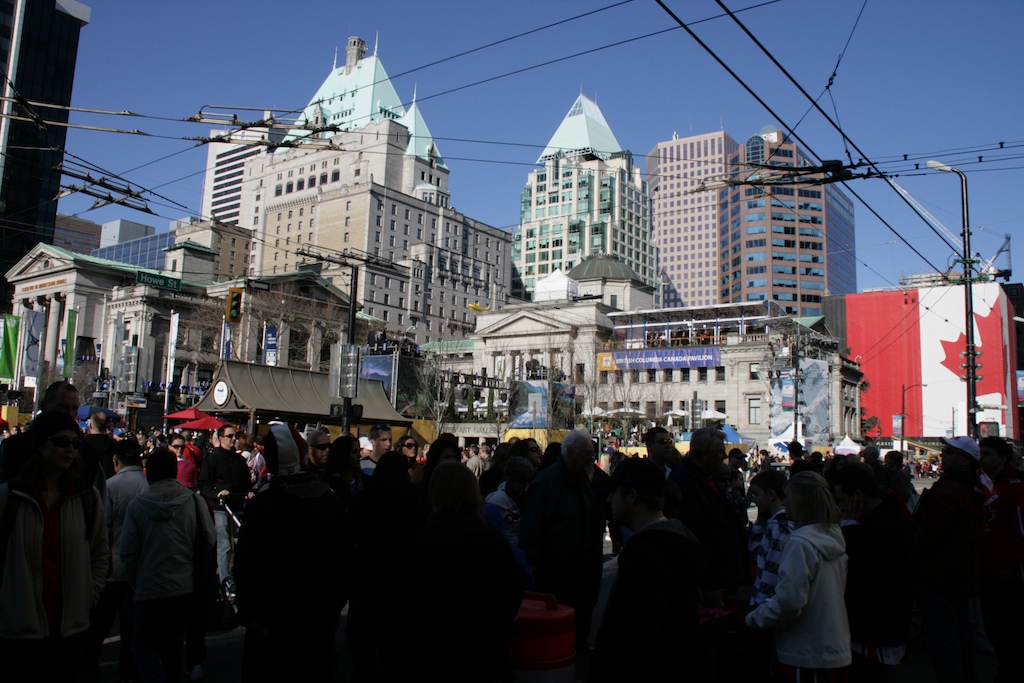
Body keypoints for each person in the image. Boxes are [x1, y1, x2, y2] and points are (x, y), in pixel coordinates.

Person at [234, 423, 353, 682]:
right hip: (317, 624)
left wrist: (252, 615)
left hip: (272, 630)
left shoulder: (263, 507)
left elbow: (246, 569)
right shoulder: (329, 500)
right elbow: (345, 560)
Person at [387, 461, 524, 683]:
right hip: (485, 650)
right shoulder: (491, 537)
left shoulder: (426, 539)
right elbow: (513, 589)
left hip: (437, 654)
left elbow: (408, 602)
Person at [0, 410, 109, 682]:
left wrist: (88, 595)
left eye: (75, 443)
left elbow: (99, 553)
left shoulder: (87, 498)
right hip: (18, 633)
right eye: (60, 442)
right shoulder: (8, 498)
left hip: (70, 629)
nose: (69, 449)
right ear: (39, 445)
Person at [589, 457, 707, 682]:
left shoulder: (646, 555)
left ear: (632, 496)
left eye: (615, 492)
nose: (609, 499)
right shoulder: (677, 542)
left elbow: (633, 638)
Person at [746, 471, 851, 681]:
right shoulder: (832, 535)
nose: (785, 503)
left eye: (789, 497)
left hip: (805, 650)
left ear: (801, 501)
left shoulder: (800, 542)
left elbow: (790, 600)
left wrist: (754, 617)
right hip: (833, 644)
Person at [121, 447, 215, 683]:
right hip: (184, 584)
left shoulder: (137, 506)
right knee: (174, 644)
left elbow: (128, 551)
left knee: (142, 643)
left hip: (148, 585)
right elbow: (209, 538)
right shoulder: (193, 501)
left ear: (149, 473)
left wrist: (135, 581)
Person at [519, 429, 603, 651]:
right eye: (587, 454)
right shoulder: (547, 482)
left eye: (592, 455)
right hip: (554, 572)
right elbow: (532, 530)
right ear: (571, 452)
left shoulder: (582, 481)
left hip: (581, 569)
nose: (590, 459)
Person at [348, 451, 428, 681]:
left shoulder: (362, 500)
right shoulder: (414, 501)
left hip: (367, 579)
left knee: (364, 645)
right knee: (396, 647)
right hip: (402, 580)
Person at [911, 436, 985, 683]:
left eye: (949, 453)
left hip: (939, 577)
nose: (943, 455)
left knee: (943, 641)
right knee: (961, 636)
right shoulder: (975, 487)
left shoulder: (949, 489)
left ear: (965, 462)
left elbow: (925, 537)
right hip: (962, 576)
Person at [835, 463, 912, 682]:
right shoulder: (883, 517)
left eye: (842, 500)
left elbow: (857, 569)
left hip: (877, 629)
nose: (840, 508)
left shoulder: (883, 525)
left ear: (857, 496)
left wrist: (849, 527)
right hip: (872, 626)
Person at [82, 439, 149, 681]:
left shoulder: (109, 486)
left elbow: (103, 527)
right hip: (140, 569)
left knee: (99, 624)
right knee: (131, 628)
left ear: (115, 460)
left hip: (111, 566)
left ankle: (89, 666)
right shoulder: (149, 486)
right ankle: (129, 671)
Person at [668, 427, 748, 607]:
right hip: (708, 577)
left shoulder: (705, 477)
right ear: (705, 454)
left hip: (719, 574)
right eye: (720, 451)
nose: (724, 456)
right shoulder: (686, 482)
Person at [977, 436, 1024, 683]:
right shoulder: (989, 485)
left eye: (987, 453)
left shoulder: (1013, 487)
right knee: (995, 628)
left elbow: (1020, 529)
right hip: (988, 569)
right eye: (980, 453)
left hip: (1007, 574)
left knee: (1008, 629)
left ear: (1002, 458)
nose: (982, 458)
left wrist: (1009, 562)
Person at [197, 424, 252, 587]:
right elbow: (203, 484)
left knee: (237, 543)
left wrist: (248, 492)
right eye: (230, 436)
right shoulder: (212, 459)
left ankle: (234, 573)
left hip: (237, 507)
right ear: (221, 439)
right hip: (221, 507)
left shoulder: (240, 461)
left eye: (235, 436)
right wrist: (216, 494)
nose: (234, 439)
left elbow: (246, 484)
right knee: (225, 543)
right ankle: (224, 579)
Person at [484, 455, 534, 545]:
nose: (526, 484)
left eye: (529, 480)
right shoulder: (496, 502)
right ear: (511, 479)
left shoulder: (530, 497)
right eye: (522, 480)